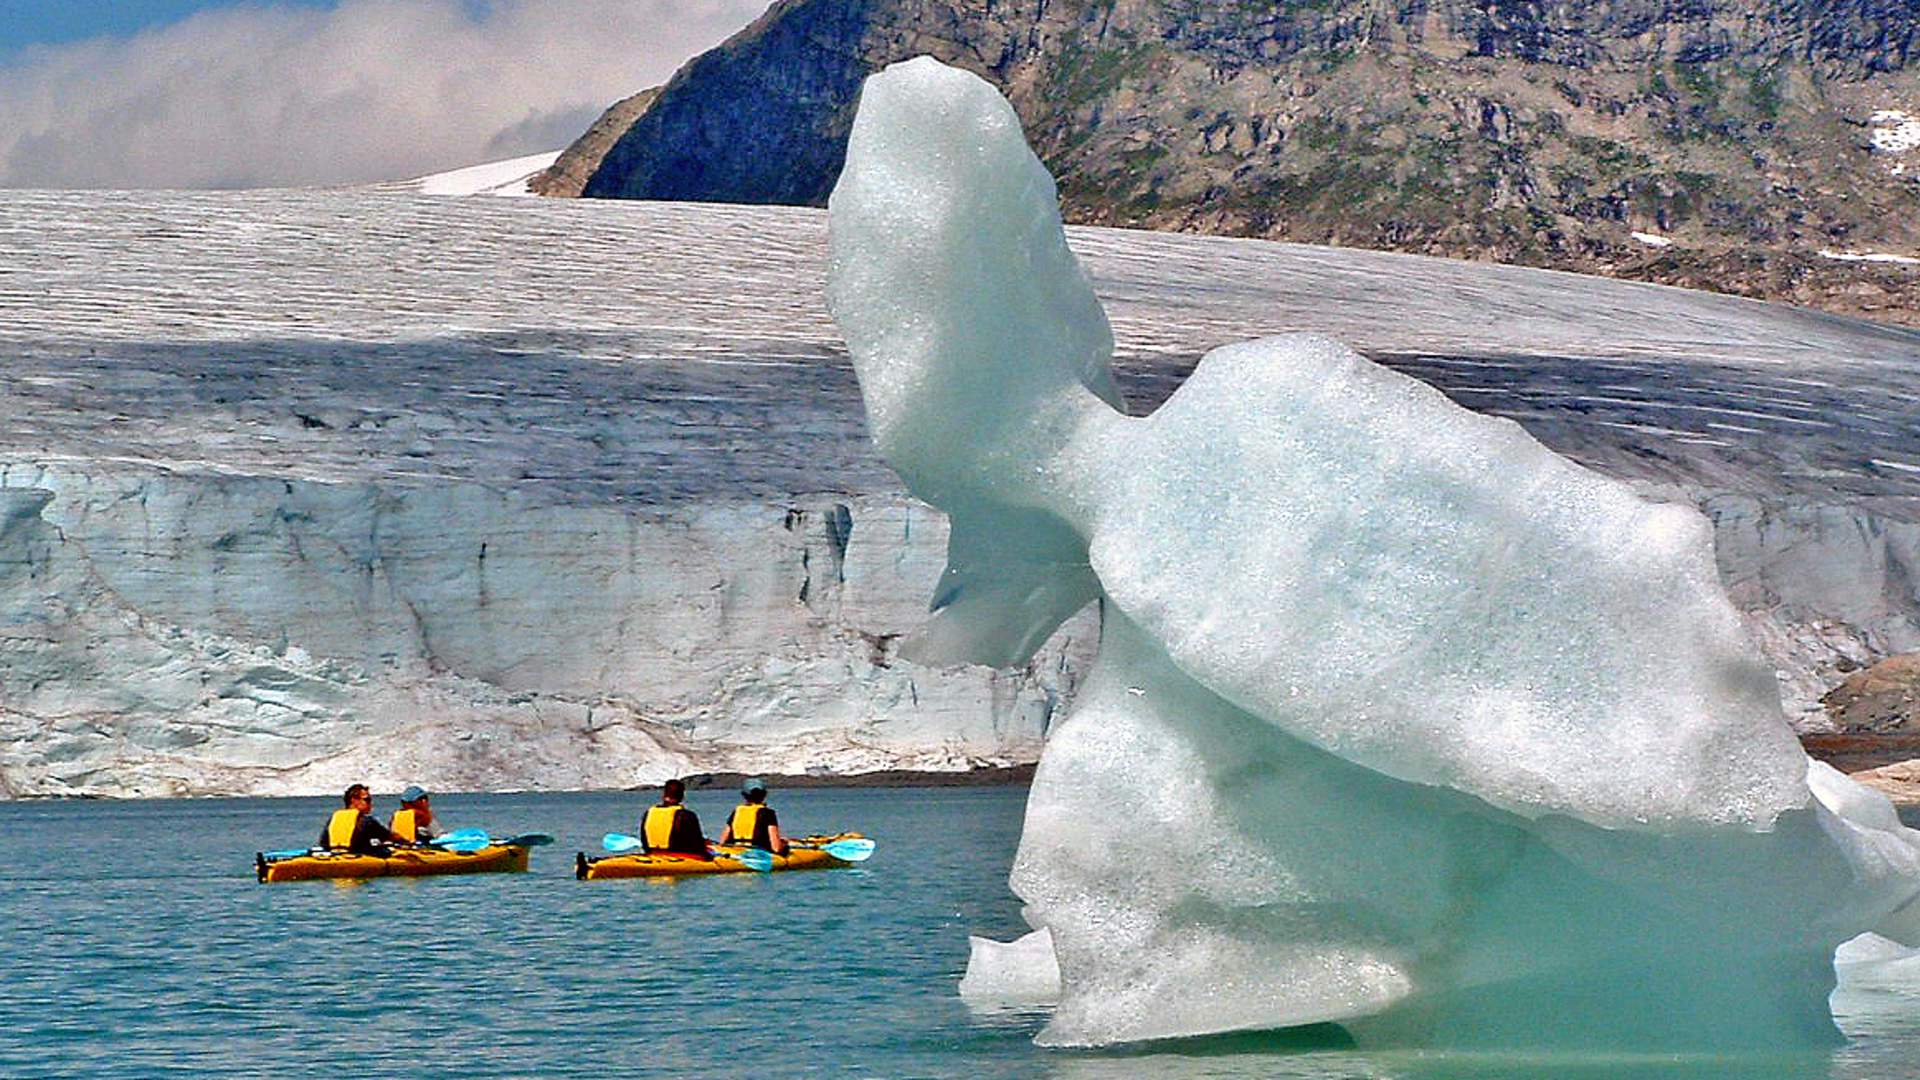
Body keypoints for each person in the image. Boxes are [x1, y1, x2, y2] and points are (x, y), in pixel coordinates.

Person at [717, 777, 789, 855]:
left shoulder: (737, 811)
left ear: (744, 795)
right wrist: (784, 844)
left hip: (736, 851)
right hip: (758, 852)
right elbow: (776, 848)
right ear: (765, 794)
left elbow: (722, 842)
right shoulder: (768, 813)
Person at [319, 783, 396, 855]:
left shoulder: (334, 818)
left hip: (335, 855)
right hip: (358, 858)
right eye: (367, 800)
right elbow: (389, 837)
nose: (370, 804)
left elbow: (324, 843)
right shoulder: (367, 820)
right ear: (353, 800)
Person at [641, 778, 710, 857]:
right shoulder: (686, 815)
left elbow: (644, 840)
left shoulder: (649, 813)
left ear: (664, 794)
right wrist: (708, 856)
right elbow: (697, 844)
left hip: (653, 854)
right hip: (679, 856)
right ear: (682, 796)